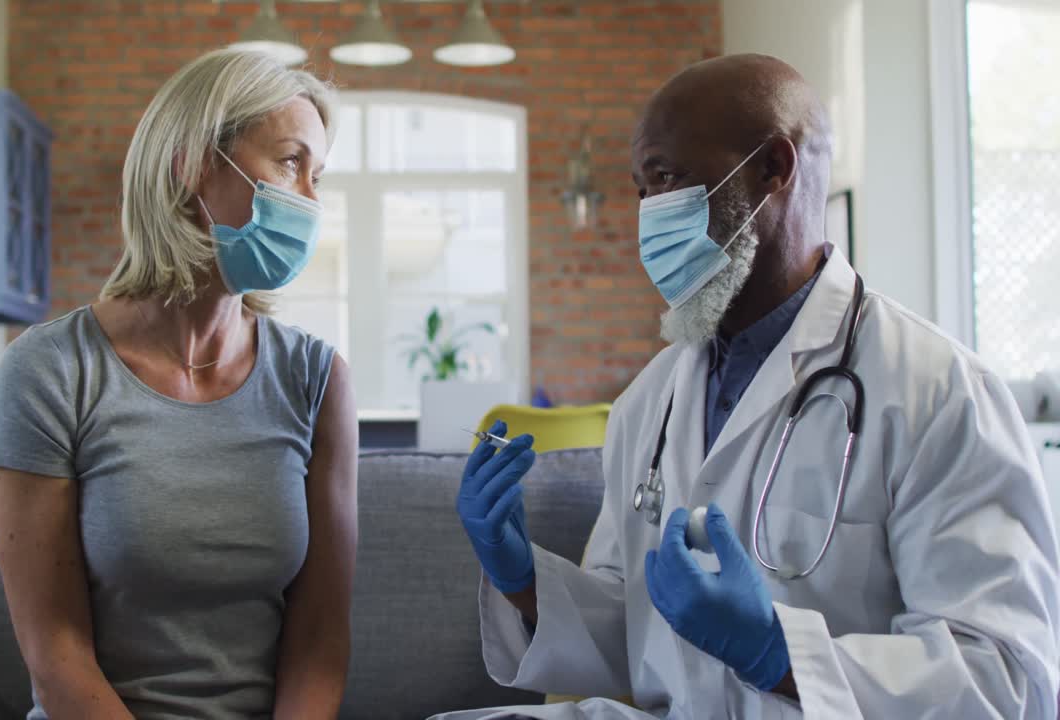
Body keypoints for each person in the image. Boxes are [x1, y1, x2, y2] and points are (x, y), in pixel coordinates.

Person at [443, 54, 1060, 719]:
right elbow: (637, 631)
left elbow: (1007, 682)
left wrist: (778, 653)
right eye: (639, 189)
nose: (648, 213)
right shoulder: (648, 403)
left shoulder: (940, 393)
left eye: (667, 178)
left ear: (774, 168)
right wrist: (524, 579)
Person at [0, 49, 357, 720]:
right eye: (291, 161)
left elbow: (321, 640)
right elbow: (54, 653)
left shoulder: (316, 377)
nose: (310, 200)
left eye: (318, 176)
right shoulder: (49, 370)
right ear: (194, 164)